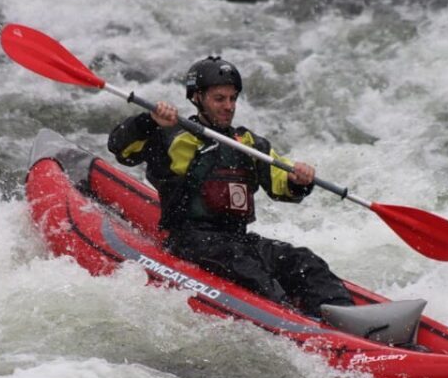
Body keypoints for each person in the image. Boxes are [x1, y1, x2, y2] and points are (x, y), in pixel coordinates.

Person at [107, 56, 354, 317]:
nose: (228, 106)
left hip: (239, 240)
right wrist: (149, 121)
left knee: (304, 262)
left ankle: (348, 321)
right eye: (219, 99)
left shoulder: (247, 143)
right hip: (192, 241)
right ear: (197, 98)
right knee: (251, 272)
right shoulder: (173, 136)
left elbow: (281, 183)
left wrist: (298, 179)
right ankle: (298, 324)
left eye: (232, 99)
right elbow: (121, 148)